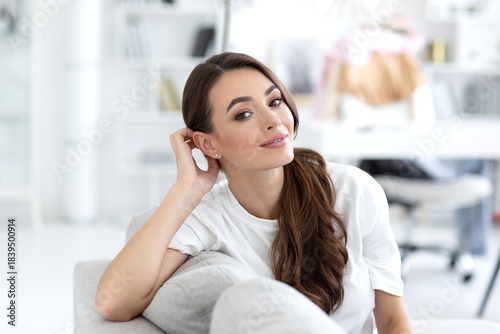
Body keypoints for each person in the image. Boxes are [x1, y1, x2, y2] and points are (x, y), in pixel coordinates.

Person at [95, 52, 414, 333]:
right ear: (208, 144)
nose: (274, 120)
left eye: (274, 101)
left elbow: (391, 322)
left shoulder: (354, 192)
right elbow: (112, 302)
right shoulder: (209, 218)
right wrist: (185, 190)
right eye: (243, 114)